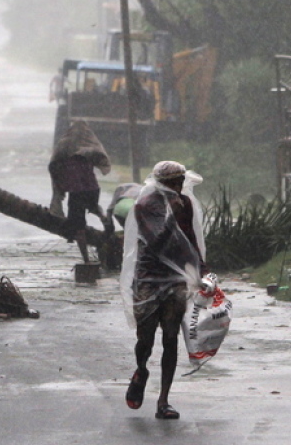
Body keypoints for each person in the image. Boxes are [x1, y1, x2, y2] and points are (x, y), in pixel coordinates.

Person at [120, 160, 206, 421]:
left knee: (171, 337)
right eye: (173, 184)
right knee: (145, 338)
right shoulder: (145, 205)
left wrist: (202, 271)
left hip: (176, 279)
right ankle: (141, 369)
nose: (179, 188)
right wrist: (169, 216)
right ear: (162, 185)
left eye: (181, 183)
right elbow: (156, 241)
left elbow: (191, 239)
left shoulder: (186, 204)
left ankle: (164, 400)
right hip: (148, 277)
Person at [48, 121, 112, 263]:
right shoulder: (88, 150)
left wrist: (59, 188)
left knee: (79, 228)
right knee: (94, 207)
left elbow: (54, 164)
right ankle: (103, 218)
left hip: (77, 192)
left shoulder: (64, 150)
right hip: (92, 189)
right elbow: (99, 154)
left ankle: (86, 260)